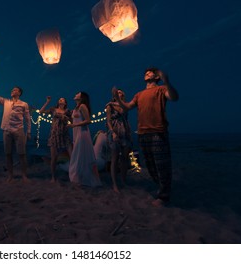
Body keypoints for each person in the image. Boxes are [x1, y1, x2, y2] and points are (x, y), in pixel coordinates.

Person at [115, 67, 179, 206]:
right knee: (150, 165)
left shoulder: (161, 89)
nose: (147, 73)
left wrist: (166, 81)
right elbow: (126, 107)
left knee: (162, 165)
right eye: (146, 72)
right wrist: (119, 99)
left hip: (157, 132)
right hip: (142, 133)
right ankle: (163, 188)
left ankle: (163, 196)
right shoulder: (139, 94)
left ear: (157, 77)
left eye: (151, 72)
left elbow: (174, 97)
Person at [0, 84, 31, 182]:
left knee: (22, 154)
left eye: (15, 90)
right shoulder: (6, 102)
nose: (13, 91)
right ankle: (10, 175)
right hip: (7, 130)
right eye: (12, 90)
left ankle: (24, 175)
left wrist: (29, 132)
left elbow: (27, 119)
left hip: (19, 130)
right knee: (8, 154)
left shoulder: (24, 104)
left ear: (19, 93)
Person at [68, 92, 101, 187]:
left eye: (77, 94)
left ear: (81, 97)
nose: (75, 94)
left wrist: (74, 125)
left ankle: (81, 178)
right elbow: (75, 119)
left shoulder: (82, 106)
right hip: (76, 133)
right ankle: (80, 177)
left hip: (82, 133)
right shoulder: (76, 108)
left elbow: (88, 120)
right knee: (79, 155)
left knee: (79, 155)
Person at [39, 96, 73, 182]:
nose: (61, 100)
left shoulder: (68, 111)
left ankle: (73, 175)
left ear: (65, 103)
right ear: (58, 102)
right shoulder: (53, 109)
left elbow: (73, 122)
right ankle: (53, 177)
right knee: (54, 157)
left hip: (65, 135)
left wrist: (68, 120)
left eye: (63, 99)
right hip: (54, 135)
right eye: (60, 99)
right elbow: (41, 111)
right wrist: (47, 101)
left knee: (72, 156)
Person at [106, 87, 133, 193]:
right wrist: (112, 132)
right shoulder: (109, 106)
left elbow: (123, 110)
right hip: (115, 131)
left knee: (125, 158)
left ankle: (123, 180)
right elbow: (108, 121)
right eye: (118, 92)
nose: (119, 93)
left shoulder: (125, 105)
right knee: (115, 158)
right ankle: (114, 184)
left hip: (125, 132)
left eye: (121, 92)